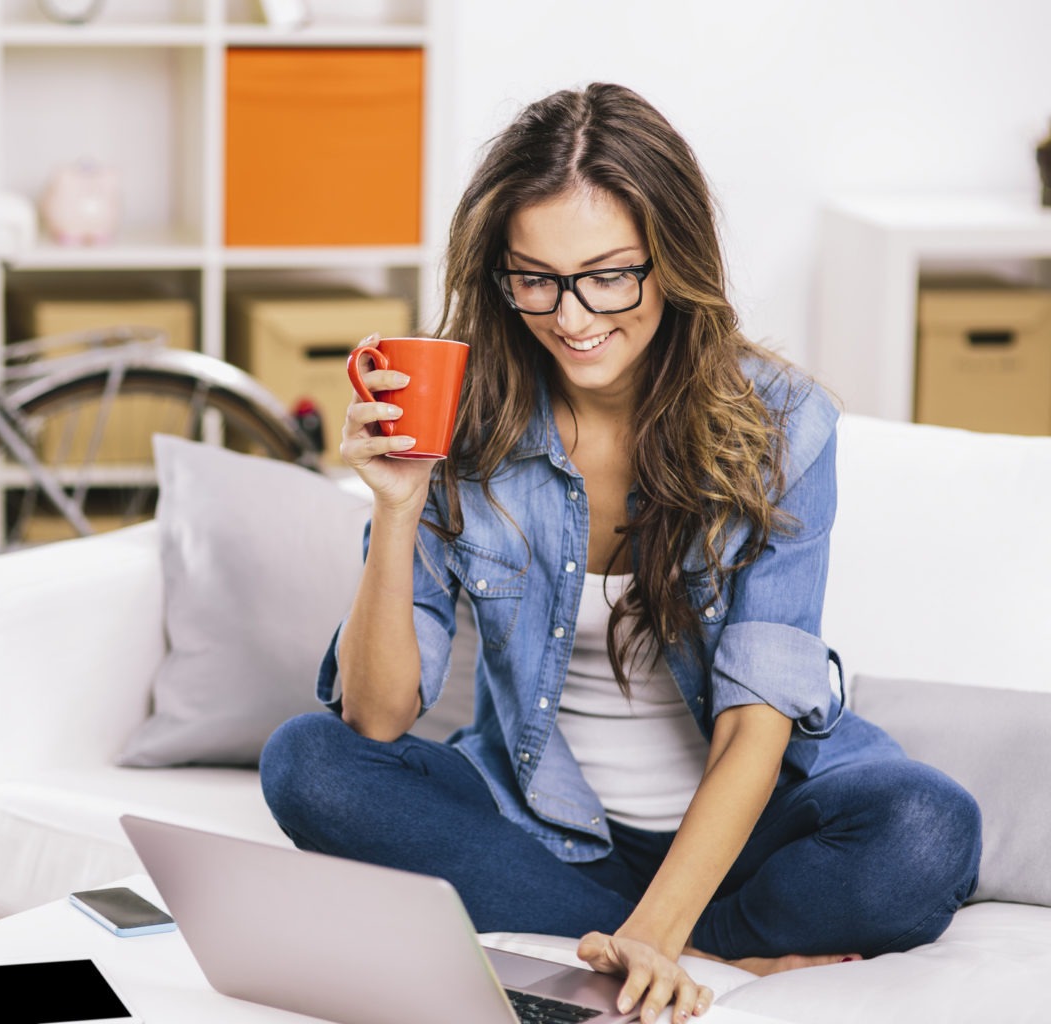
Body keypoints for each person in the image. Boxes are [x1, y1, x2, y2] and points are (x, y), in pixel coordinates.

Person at [259, 83, 982, 1024]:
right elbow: (381, 716)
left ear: (673, 261)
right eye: (537, 278)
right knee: (307, 761)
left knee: (926, 830)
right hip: (545, 826)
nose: (572, 315)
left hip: (750, 823)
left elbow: (755, 728)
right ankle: (728, 950)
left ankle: (649, 938)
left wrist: (657, 930)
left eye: (608, 275)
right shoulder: (462, 418)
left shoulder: (783, 424)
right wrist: (395, 508)